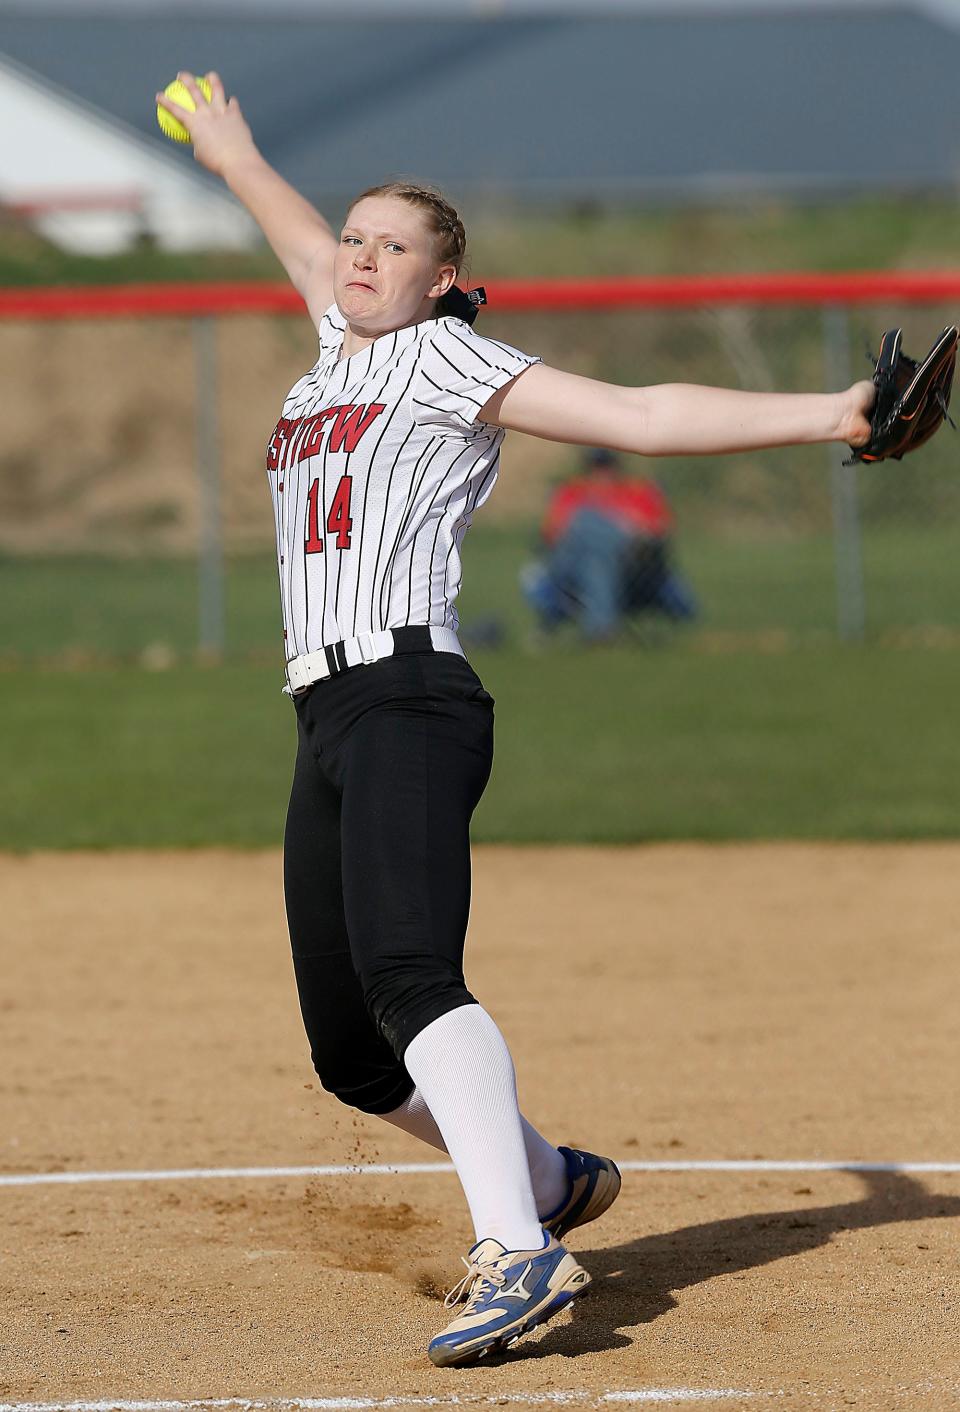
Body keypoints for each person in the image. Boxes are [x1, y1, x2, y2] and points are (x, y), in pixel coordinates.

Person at [157, 72, 875, 1369]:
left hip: (409, 698)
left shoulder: (442, 356)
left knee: (411, 976)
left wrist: (834, 412)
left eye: (394, 246)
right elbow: (300, 239)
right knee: (352, 1056)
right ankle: (544, 1176)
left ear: (441, 282)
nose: (361, 256)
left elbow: (644, 416)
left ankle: (519, 1252)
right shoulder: (338, 346)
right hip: (325, 709)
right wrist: (234, 153)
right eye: (356, 241)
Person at [522, 447, 697, 641]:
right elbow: (552, 537)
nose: (602, 472)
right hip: (573, 568)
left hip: (631, 568)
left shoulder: (636, 493)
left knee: (597, 550)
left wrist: (624, 527)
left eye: (607, 465)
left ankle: (601, 628)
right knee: (587, 526)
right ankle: (602, 627)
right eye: (596, 465)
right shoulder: (571, 493)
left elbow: (658, 532)